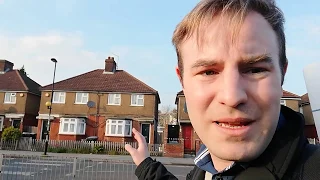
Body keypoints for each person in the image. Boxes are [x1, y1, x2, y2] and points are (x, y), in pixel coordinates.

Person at [125, 0, 320, 179]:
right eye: (208, 72)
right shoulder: (204, 169)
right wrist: (146, 164)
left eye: (255, 70)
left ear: (282, 75)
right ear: (182, 81)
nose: (232, 96)